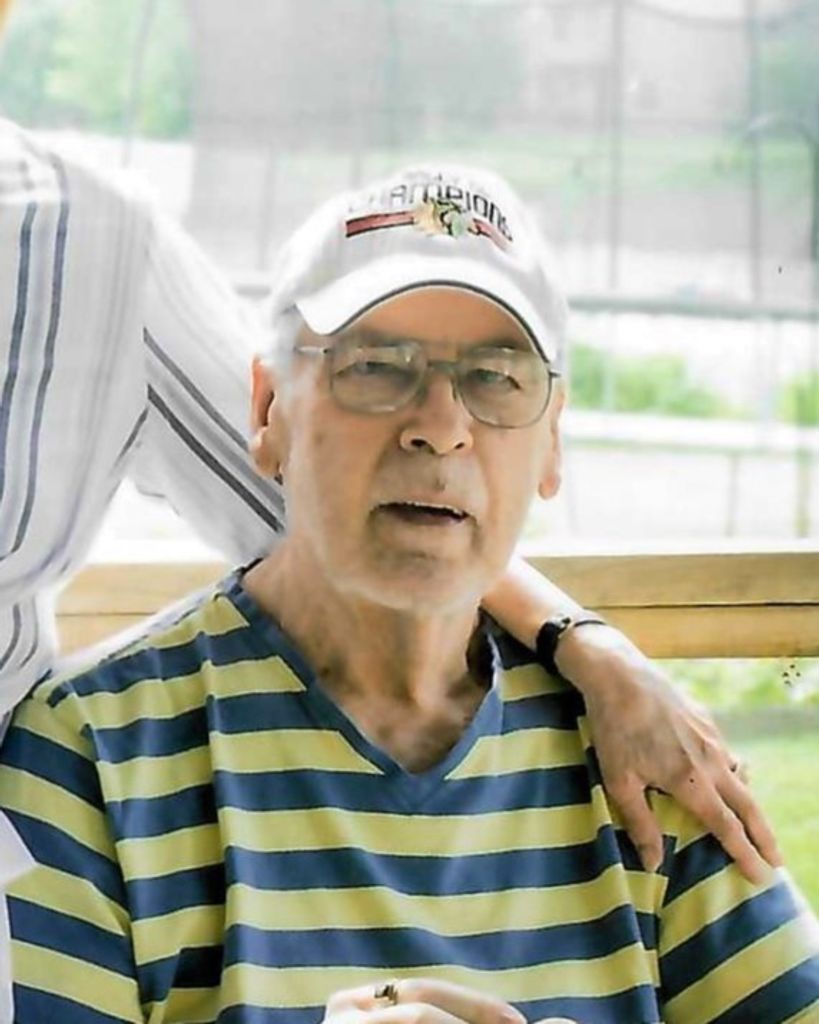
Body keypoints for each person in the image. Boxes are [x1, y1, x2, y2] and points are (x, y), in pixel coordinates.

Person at [0, 164, 815, 1024]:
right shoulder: (96, 753)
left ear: (551, 442)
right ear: (269, 410)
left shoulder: (639, 753)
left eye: (495, 378)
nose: (439, 425)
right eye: (377, 366)